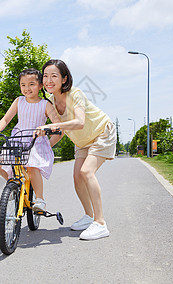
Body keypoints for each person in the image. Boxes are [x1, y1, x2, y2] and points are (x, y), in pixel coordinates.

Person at [37, 59, 116, 240]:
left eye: (54, 76)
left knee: (87, 172)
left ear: (64, 79)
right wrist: (45, 148)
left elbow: (79, 122)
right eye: (46, 76)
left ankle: (101, 223)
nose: (48, 80)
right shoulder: (50, 101)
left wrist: (50, 127)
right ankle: (89, 217)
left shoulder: (75, 94)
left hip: (101, 133)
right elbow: (61, 131)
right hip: (82, 142)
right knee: (77, 177)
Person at [0, 68, 60, 212]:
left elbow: (56, 122)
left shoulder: (45, 104)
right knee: (1, 163)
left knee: (32, 166)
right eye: (23, 85)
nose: (27, 88)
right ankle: (13, 185)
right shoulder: (18, 101)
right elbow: (6, 118)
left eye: (32, 84)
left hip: (37, 141)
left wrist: (48, 129)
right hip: (18, 138)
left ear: (40, 86)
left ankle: (39, 199)